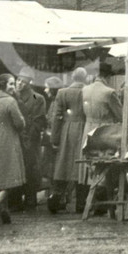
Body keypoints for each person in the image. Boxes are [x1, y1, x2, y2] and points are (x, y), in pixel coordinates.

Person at [0, 73, 27, 224]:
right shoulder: (10, 101)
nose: (13, 87)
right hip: (10, 140)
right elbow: (19, 123)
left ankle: (4, 212)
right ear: (3, 85)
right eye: (10, 84)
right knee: (11, 176)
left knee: (1, 176)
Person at [49, 67, 88, 213]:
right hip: (84, 128)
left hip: (67, 129)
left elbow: (57, 116)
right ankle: (81, 203)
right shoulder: (87, 91)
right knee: (81, 166)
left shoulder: (62, 92)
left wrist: (54, 137)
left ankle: (56, 198)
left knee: (63, 164)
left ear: (72, 77)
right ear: (85, 78)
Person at [14, 68, 47, 211]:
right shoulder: (12, 97)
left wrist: (29, 138)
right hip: (16, 139)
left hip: (30, 140)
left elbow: (39, 121)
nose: (19, 83)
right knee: (15, 170)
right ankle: (14, 200)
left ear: (30, 83)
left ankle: (30, 198)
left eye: (23, 81)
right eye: (18, 80)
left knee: (31, 169)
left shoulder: (37, 98)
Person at [41, 75, 63, 188]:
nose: (45, 90)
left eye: (47, 87)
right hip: (51, 140)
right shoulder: (54, 102)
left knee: (54, 168)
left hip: (54, 141)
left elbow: (55, 122)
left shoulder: (57, 103)